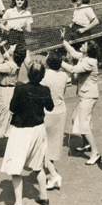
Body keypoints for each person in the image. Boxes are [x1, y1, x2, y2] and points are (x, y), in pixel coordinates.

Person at [0, 61, 55, 205]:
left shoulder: (20, 88)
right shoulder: (45, 89)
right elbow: (50, 107)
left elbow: (12, 108)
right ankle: (43, 196)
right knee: (38, 164)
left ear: (29, 74)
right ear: (42, 76)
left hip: (21, 131)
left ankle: (18, 204)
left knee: (16, 167)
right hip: (38, 129)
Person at [60, 35, 102, 164]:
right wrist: (63, 40)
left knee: (84, 123)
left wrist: (58, 62)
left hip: (89, 96)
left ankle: (95, 152)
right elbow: (72, 52)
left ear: (88, 49)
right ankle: (85, 144)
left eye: (84, 45)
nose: (81, 45)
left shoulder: (90, 62)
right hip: (85, 95)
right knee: (75, 119)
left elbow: (73, 69)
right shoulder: (84, 57)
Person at [0, 0, 32, 94]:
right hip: (11, 36)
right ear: (15, 0)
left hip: (20, 37)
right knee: (9, 61)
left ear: (24, 2)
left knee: (26, 62)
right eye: (18, 0)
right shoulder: (10, 11)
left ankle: (30, 82)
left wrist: (23, 26)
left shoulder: (27, 13)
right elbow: (1, 24)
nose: (19, 1)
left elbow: (29, 29)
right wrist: (7, 28)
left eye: (22, 0)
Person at [41, 50, 69, 191]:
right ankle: (51, 177)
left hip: (48, 113)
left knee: (43, 147)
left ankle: (53, 174)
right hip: (61, 111)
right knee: (52, 144)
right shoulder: (64, 75)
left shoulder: (45, 75)